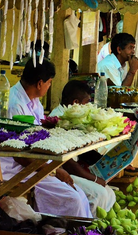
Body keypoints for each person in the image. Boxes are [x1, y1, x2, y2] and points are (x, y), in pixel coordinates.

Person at [2, 58, 92, 218]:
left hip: (38, 163)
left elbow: (40, 137)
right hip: (18, 168)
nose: (49, 86)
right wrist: (55, 171)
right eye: (49, 82)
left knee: (80, 196)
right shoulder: (15, 105)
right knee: (73, 199)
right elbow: (20, 154)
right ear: (39, 83)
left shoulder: (35, 102)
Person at [49, 80, 116, 216]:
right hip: (60, 172)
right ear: (75, 103)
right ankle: (87, 231)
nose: (89, 107)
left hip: (73, 169)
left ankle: (100, 230)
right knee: (99, 194)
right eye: (86, 103)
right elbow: (67, 163)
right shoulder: (58, 120)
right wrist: (95, 179)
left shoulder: (74, 118)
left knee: (110, 193)